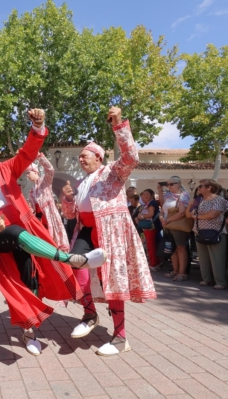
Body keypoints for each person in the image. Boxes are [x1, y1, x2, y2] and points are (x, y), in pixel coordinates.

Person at [0, 108, 106, 356]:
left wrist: (38, 126)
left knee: (30, 278)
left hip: (27, 230)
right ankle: (70, 259)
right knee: (15, 275)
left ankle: (30, 332)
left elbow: (28, 152)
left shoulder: (8, 168)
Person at [62, 106, 156, 357]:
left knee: (111, 282)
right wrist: (68, 199)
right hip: (86, 231)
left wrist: (118, 126)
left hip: (110, 234)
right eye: (80, 156)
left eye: (86, 156)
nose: (81, 159)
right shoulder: (82, 183)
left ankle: (120, 337)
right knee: (75, 264)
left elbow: (131, 157)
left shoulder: (112, 172)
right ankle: (90, 314)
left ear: (99, 158)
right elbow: (71, 216)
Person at [186, 179, 227, 289]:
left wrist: (198, 216)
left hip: (216, 232)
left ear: (209, 188)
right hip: (199, 231)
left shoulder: (219, 200)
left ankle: (220, 282)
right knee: (203, 258)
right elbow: (189, 215)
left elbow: (213, 214)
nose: (198, 188)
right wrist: (190, 204)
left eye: (201, 186)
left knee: (217, 258)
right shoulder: (199, 200)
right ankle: (206, 279)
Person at [26, 152, 70, 251]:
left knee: (56, 242)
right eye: (26, 174)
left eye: (28, 172)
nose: (27, 176)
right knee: (44, 245)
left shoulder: (45, 181)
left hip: (50, 215)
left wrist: (39, 157)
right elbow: (32, 208)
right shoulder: (31, 191)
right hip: (39, 219)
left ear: (36, 172)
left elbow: (50, 170)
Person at [157, 176, 191, 282]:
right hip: (168, 225)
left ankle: (182, 273)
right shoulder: (168, 195)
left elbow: (182, 213)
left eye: (172, 184)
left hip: (177, 226)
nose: (169, 186)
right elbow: (162, 209)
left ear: (179, 184)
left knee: (180, 248)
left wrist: (167, 220)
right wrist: (162, 218)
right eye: (168, 184)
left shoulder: (184, 195)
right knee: (172, 248)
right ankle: (175, 270)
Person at [136, 189, 161, 270]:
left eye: (147, 194)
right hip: (147, 228)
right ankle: (154, 262)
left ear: (151, 195)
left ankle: (153, 264)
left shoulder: (152, 203)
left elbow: (151, 214)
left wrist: (141, 216)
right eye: (143, 194)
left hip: (151, 227)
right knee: (151, 245)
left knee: (151, 246)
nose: (145, 196)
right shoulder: (147, 204)